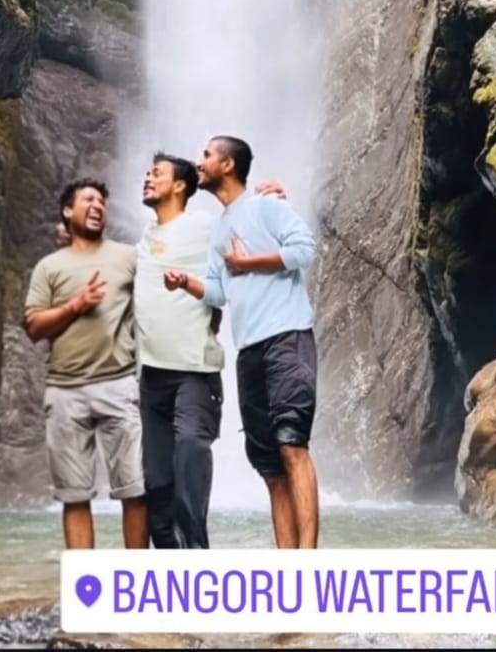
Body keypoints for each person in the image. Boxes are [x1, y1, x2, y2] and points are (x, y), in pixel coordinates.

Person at [165, 135, 319, 549]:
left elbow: (305, 250)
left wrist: (247, 262)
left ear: (228, 165)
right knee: (268, 464)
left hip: (288, 337)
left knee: (292, 445)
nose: (199, 163)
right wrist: (186, 283)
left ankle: (309, 560)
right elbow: (220, 291)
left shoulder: (268, 206)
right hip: (249, 351)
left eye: (207, 155)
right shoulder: (219, 229)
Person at [24, 178, 149, 551]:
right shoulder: (50, 267)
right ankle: (87, 589)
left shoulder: (129, 257)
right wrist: (76, 305)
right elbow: (33, 326)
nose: (97, 206)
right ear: (67, 211)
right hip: (65, 390)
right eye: (88, 200)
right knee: (74, 496)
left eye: (102, 202)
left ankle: (137, 583)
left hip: (120, 383)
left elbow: (163, 290)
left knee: (135, 489)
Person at [135, 152, 225, 549]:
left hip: (194, 371)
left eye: (156, 174)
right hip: (151, 376)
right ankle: (171, 580)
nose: (147, 179)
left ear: (181, 185)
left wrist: (270, 199)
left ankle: (196, 565)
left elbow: (242, 229)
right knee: (157, 485)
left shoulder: (204, 226)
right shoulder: (144, 239)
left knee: (190, 454)